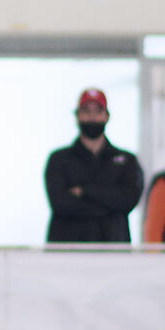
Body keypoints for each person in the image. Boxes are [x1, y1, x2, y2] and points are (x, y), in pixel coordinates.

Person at [45, 88, 144, 244]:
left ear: (106, 116)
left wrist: (85, 191)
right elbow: (61, 204)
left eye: (98, 111)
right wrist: (111, 203)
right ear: (77, 115)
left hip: (114, 248)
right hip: (68, 250)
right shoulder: (59, 159)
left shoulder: (127, 160)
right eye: (86, 111)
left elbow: (128, 200)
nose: (92, 117)